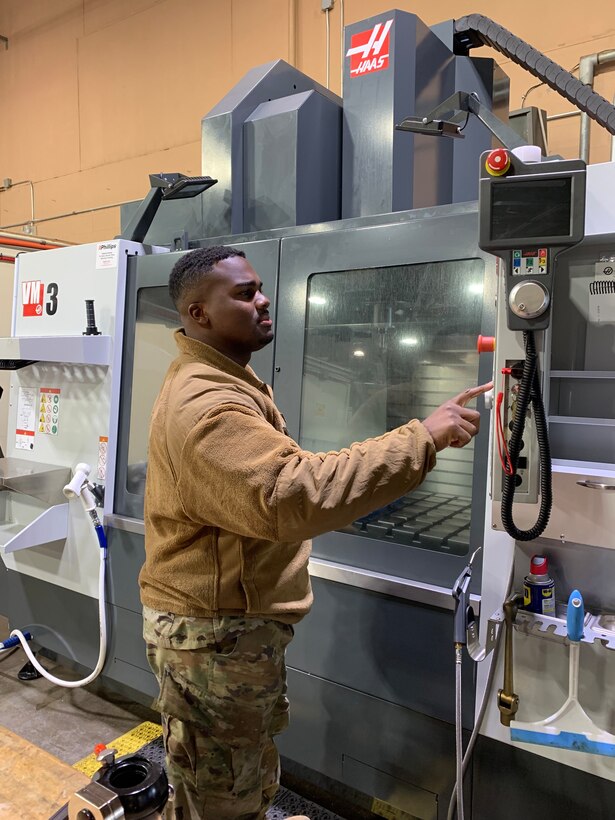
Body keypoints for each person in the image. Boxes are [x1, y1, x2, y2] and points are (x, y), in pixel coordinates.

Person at [139, 245, 492, 820]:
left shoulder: (224, 379)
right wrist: (421, 437)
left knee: (242, 772)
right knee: (219, 795)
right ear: (198, 313)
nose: (263, 300)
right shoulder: (208, 403)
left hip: (228, 631)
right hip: (214, 637)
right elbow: (291, 495)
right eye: (244, 293)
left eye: (260, 288)